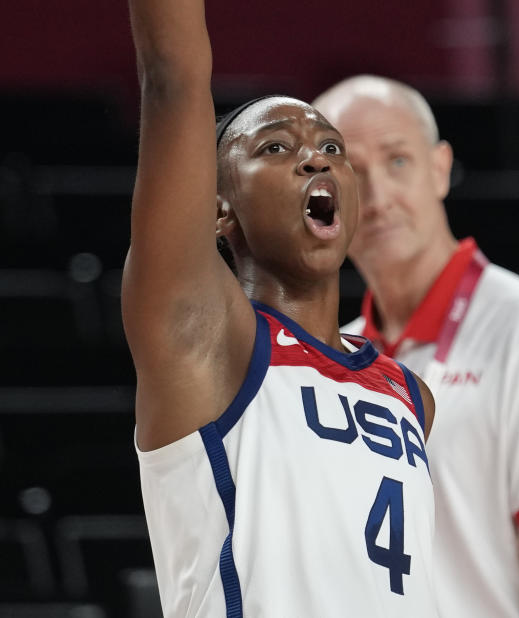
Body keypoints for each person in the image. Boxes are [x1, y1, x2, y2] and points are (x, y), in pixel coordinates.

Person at [123, 1, 439, 615]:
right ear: (218, 207)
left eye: (331, 146)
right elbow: (174, 77)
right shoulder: (207, 339)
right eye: (274, 147)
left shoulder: (410, 394)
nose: (316, 157)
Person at [313, 76, 519, 618]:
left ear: (439, 168)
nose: (379, 196)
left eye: (398, 161)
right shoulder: (329, 360)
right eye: (351, 173)